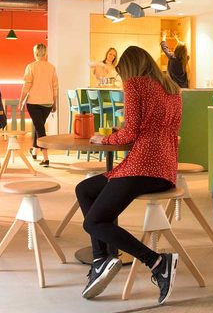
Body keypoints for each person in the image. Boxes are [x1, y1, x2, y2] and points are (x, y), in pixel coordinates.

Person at [75, 46, 181, 304]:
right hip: (165, 167)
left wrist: (104, 139)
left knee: (94, 222)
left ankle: (157, 262)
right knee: (84, 189)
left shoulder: (136, 84)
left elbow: (130, 132)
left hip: (142, 165)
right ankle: (102, 259)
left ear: (129, 68)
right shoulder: (172, 88)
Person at [18, 43, 58, 167]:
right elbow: (55, 87)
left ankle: (46, 158)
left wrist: (20, 101)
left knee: (40, 128)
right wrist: (55, 103)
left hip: (33, 103)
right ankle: (34, 151)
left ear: (35, 53)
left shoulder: (31, 67)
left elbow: (26, 86)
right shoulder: (51, 67)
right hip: (48, 103)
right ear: (45, 53)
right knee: (38, 125)